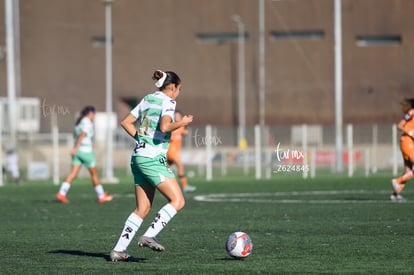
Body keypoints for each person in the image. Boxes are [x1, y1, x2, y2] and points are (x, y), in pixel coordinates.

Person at [110, 70, 193, 262]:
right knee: (178, 201)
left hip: (138, 157)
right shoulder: (168, 102)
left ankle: (119, 250)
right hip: (153, 159)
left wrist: (142, 139)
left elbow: (126, 122)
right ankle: (149, 235)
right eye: (178, 89)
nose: (178, 93)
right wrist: (182, 122)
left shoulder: (148, 99)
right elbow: (165, 127)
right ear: (172, 87)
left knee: (142, 208)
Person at [56, 106, 113, 204]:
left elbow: (80, 135)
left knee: (73, 174)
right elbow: (83, 134)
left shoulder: (79, 122)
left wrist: (76, 149)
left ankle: (61, 193)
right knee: (94, 174)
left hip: (78, 152)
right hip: (85, 152)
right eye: (94, 114)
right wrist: (76, 148)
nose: (94, 116)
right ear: (90, 114)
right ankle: (101, 196)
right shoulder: (87, 122)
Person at [390, 98, 414, 202]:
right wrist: (409, 132)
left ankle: (395, 195)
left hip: (408, 143)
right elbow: (399, 126)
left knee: (407, 171)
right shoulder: (411, 113)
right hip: (407, 142)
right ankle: (397, 181)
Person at [167, 110, 196, 192]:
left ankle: (158, 184)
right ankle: (185, 186)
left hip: (176, 152)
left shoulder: (181, 127)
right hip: (171, 152)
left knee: (165, 169)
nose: (177, 117)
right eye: (175, 116)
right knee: (180, 166)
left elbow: (186, 132)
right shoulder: (171, 126)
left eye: (178, 116)